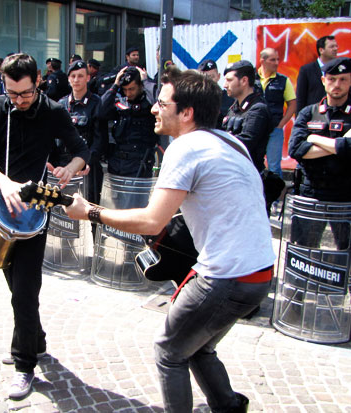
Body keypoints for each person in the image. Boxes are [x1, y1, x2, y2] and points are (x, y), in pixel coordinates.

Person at [65, 68, 275, 413]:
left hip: (225, 277)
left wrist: (90, 212)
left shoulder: (186, 147)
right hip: (259, 274)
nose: (153, 109)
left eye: (162, 104)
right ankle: (228, 406)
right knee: (197, 346)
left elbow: (152, 220)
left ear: (187, 113)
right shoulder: (229, 141)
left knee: (169, 351)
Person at [0, 53, 89, 400]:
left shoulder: (52, 111)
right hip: (2, 205)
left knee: (25, 290)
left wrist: (70, 168)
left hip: (36, 210)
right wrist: (4, 182)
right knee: (13, 282)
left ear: (38, 81)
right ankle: (34, 339)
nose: (18, 100)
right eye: (12, 93)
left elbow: (81, 150)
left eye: (25, 93)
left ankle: (25, 365)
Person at [288, 57, 351, 249]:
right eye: (332, 79)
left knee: (346, 253)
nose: (337, 84)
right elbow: (295, 149)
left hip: (345, 194)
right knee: (305, 250)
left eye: (343, 79)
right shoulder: (309, 113)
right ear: (323, 81)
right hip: (312, 192)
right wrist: (338, 146)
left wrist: (313, 138)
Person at [57, 60, 107, 207]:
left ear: (88, 78)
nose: (76, 80)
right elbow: (56, 139)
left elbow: (100, 138)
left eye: (80, 76)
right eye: (73, 76)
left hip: (88, 169)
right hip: (65, 166)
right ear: (68, 79)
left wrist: (87, 162)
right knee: (62, 209)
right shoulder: (61, 104)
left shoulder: (97, 103)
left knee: (88, 209)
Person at [99, 66, 158, 178]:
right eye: (125, 89)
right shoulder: (120, 102)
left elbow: (159, 103)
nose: (128, 93)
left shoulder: (149, 102)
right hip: (117, 162)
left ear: (140, 86)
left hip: (139, 164)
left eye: (132, 89)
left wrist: (146, 82)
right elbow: (100, 111)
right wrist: (115, 85)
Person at [222, 60, 273, 173]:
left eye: (229, 80)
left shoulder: (258, 109)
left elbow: (246, 143)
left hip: (249, 174)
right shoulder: (234, 108)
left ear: (244, 80)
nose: (225, 85)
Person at [257, 48, 297, 178]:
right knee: (253, 163)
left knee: (274, 167)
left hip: (274, 129)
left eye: (277, 59)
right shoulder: (252, 79)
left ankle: (275, 192)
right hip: (254, 128)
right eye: (272, 60)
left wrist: (281, 124)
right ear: (262, 61)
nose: (276, 63)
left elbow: (292, 104)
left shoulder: (283, 80)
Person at [296, 35, 338, 115]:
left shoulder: (340, 69)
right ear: (321, 50)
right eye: (331, 47)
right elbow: (300, 98)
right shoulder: (307, 70)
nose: (335, 49)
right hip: (314, 115)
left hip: (335, 115)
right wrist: (300, 119)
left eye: (336, 46)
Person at [197, 59, 234, 129]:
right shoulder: (194, 101)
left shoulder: (230, 100)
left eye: (212, 77)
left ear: (218, 76)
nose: (209, 81)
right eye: (205, 77)